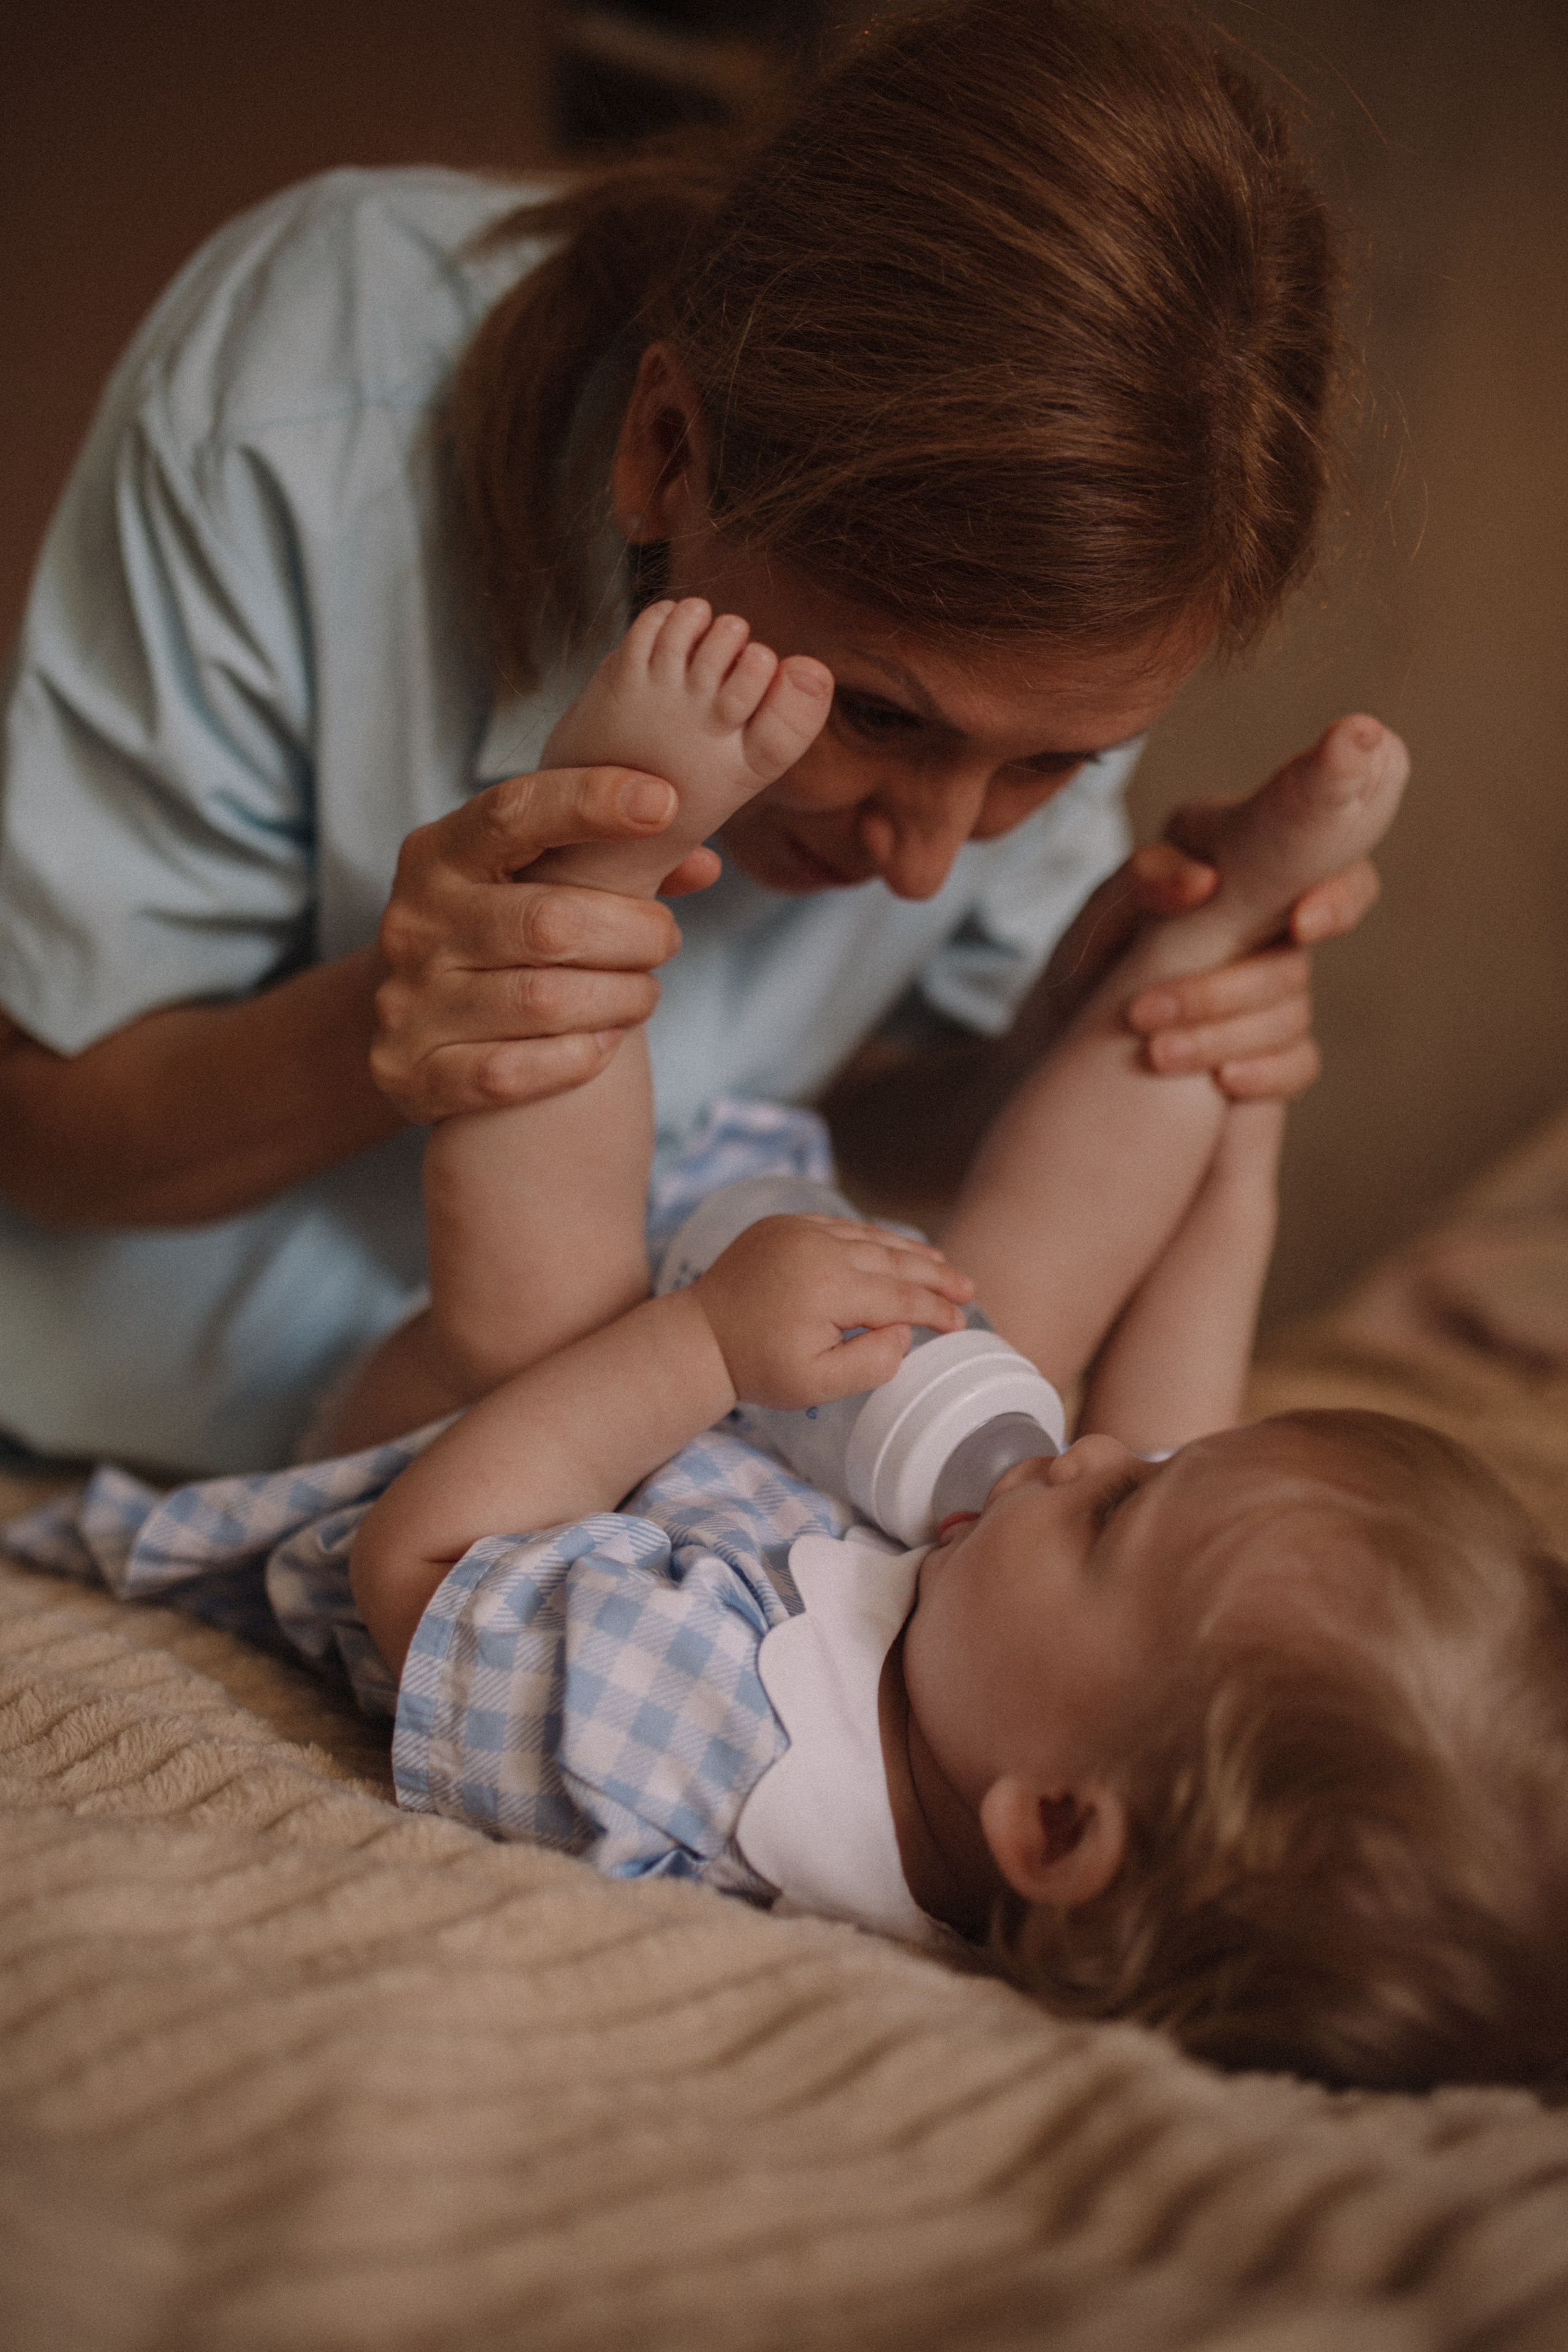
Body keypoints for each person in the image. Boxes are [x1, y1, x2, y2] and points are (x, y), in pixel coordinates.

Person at [19, 597, 1567, 2094]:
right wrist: (1239, 1125)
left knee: (539, 1312)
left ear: (1050, 1829)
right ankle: (1207, 946)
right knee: (1024, 1307)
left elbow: (424, 1558)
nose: (1100, 1454)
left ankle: (592, 872)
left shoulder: (730, 1761)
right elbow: (1179, 1412)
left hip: (489, 1448)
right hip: (775, 1372)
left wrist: (699, 1345)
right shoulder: (1069, 1670)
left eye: (1112, 1515)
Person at [0, 0, 1378, 1475]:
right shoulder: (307, 407)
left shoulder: (1059, 610)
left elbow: (877, 1135)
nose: (925, 863)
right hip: (156, 1407)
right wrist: (401, 1021)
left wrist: (1100, 1020)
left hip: (677, 1416)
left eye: (1051, 765)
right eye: (876, 714)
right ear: (665, 450)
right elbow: (32, 1121)